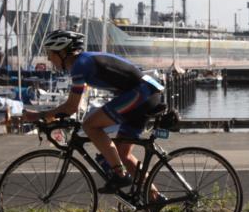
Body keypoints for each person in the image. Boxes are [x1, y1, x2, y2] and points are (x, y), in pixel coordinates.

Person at [24, 30, 165, 193]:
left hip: (140, 96)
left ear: (62, 52)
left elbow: (71, 107)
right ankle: (155, 198)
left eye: (49, 53)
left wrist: (37, 115)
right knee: (123, 155)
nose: (48, 58)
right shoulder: (84, 61)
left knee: (90, 125)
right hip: (146, 94)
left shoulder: (79, 65)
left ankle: (119, 175)